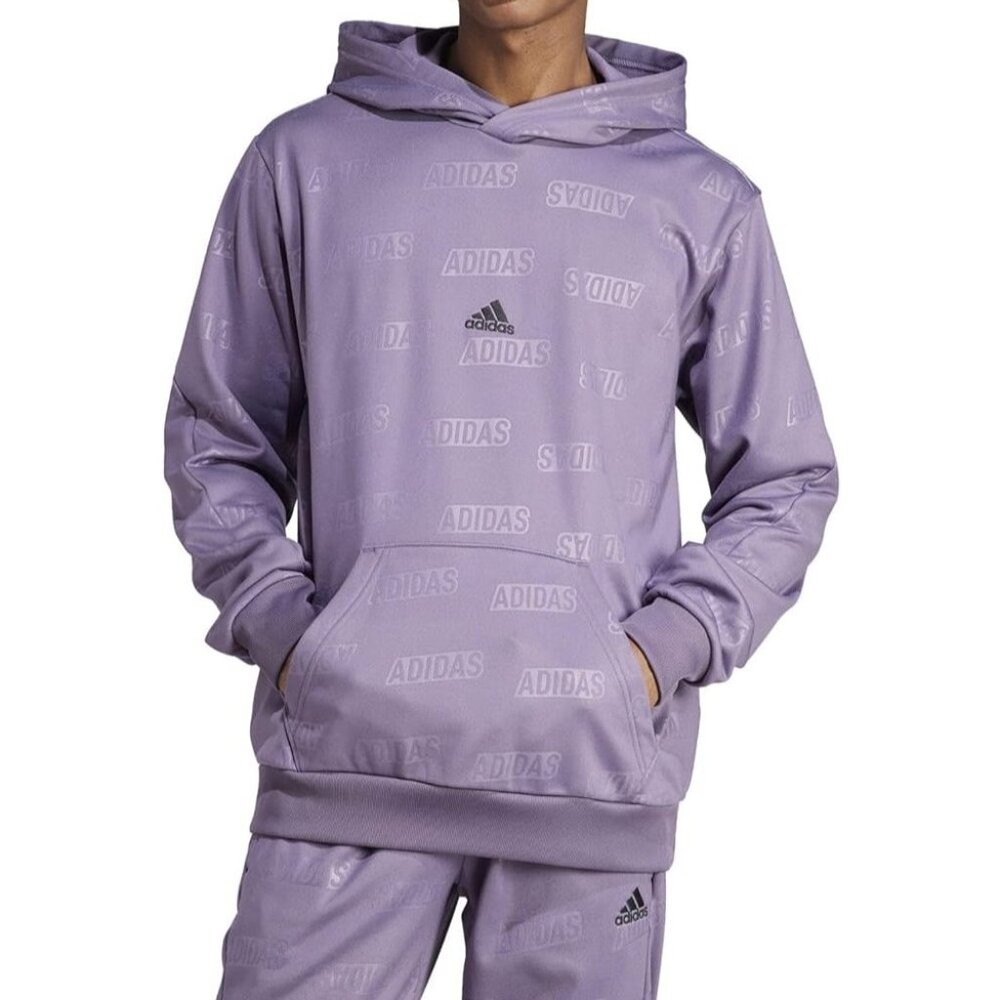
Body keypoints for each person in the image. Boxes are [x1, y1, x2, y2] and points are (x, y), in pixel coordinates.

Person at [162, 4, 839, 997]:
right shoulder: (303, 161)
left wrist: (652, 659)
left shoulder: (701, 199)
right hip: (345, 770)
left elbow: (785, 477)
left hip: (587, 789)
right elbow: (217, 434)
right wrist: (292, 635)